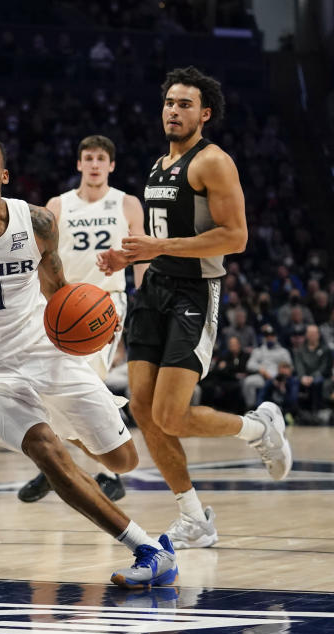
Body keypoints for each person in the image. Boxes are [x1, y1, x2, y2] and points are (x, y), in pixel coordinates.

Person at [0, 134, 177, 588]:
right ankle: (148, 548)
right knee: (49, 454)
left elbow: (58, 290)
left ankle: (64, 423)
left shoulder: (39, 222)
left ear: (3, 176)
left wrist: (97, 328)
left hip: (48, 351)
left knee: (122, 460)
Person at [97, 66, 292, 550]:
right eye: (169, 103)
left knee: (172, 415)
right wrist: (130, 255)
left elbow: (235, 236)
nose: (174, 111)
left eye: (185, 105)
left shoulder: (214, 162)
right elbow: (158, 239)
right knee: (142, 409)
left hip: (193, 293)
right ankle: (193, 517)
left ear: (204, 114)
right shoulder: (158, 164)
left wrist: (158, 249)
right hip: (155, 291)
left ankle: (258, 428)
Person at [18, 134, 146, 504]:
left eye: (100, 158)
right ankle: (54, 463)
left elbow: (140, 253)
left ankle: (102, 472)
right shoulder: (58, 205)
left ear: (111, 165)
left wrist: (145, 300)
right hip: (59, 303)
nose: (93, 164)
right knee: (46, 383)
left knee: (88, 382)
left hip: (105, 305)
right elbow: (35, 253)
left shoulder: (127, 203)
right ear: (78, 164)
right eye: (87, 157)